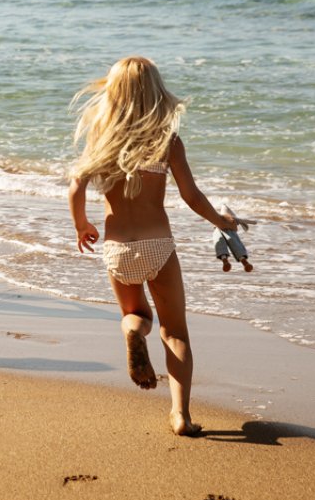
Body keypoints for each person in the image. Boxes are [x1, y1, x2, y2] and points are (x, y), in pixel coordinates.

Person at [66, 56, 240, 436]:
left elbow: (76, 185)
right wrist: (223, 223)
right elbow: (192, 197)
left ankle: (132, 333)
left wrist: (82, 226)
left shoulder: (101, 140)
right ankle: (180, 415)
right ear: (156, 93)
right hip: (158, 247)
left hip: (117, 250)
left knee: (137, 316)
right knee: (175, 332)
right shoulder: (168, 142)